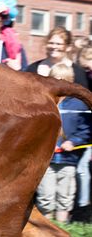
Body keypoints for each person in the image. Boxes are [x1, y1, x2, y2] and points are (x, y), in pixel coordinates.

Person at [36, 63, 91, 223]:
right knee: (46, 197)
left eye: (63, 80)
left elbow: (86, 129)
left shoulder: (78, 105)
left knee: (65, 197)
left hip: (68, 161)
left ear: (70, 82)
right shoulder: (44, 101)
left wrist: (74, 141)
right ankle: (47, 227)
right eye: (54, 80)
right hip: (47, 161)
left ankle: (62, 227)